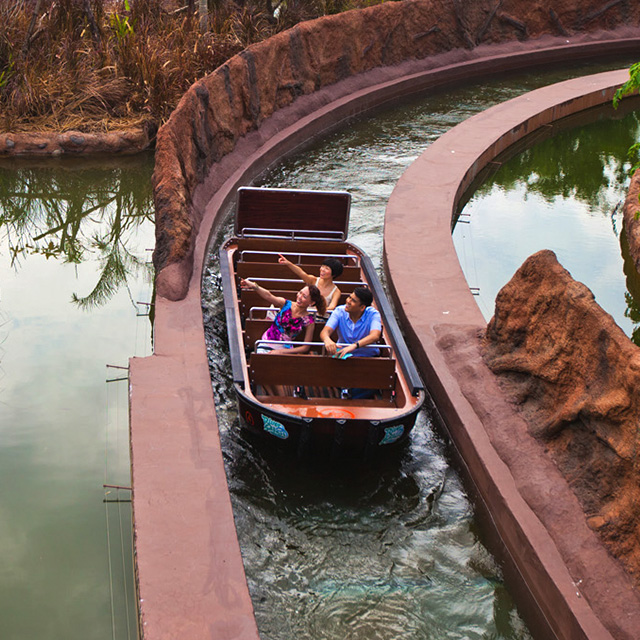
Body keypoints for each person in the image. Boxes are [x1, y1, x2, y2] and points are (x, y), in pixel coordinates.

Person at [240, 278, 327, 353]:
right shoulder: (286, 304)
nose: (299, 297)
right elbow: (268, 296)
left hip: (285, 349)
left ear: (311, 303)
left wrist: (280, 351)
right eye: (300, 293)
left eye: (304, 296)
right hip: (267, 341)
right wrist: (254, 286)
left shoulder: (309, 321)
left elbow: (305, 347)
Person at [319, 286, 381, 358]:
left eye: (353, 301)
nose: (348, 301)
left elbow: (375, 336)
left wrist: (355, 346)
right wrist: (327, 340)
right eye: (349, 297)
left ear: (362, 307)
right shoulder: (339, 311)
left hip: (368, 356)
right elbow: (325, 331)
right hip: (342, 356)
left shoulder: (373, 314)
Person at [278, 254, 343, 313]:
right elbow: (301, 273)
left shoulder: (336, 291)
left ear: (334, 273)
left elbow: (332, 307)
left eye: (326, 268)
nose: (322, 269)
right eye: (322, 266)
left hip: (321, 318)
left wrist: (317, 311)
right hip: (305, 314)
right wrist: (288, 263)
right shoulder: (313, 280)